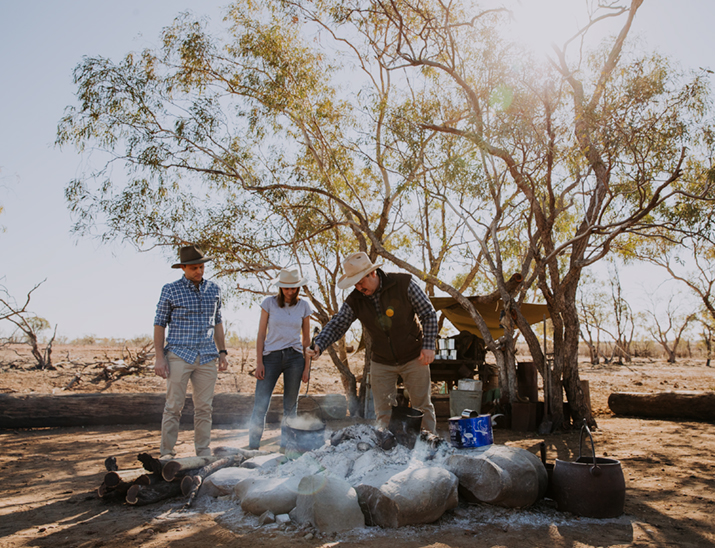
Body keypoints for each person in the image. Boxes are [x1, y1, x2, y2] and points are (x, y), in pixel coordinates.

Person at [306, 252, 438, 433]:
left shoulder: (404, 283)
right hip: (381, 360)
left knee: (422, 406)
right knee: (383, 412)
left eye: (361, 281)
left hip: (414, 356)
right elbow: (338, 324)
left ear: (373, 273)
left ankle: (429, 446)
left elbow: (428, 314)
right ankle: (387, 446)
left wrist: (429, 344)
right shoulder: (355, 299)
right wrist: (319, 344)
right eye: (355, 284)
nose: (359, 287)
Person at [153, 245, 229, 458]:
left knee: (204, 408)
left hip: (207, 356)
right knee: (173, 407)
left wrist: (222, 352)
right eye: (195, 268)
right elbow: (159, 324)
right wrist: (160, 357)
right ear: (184, 268)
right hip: (179, 354)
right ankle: (166, 454)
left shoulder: (214, 289)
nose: (199, 271)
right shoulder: (170, 289)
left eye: (202, 267)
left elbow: (218, 322)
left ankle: (203, 453)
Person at [248, 268, 312, 450]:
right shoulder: (268, 303)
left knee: (291, 407)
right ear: (280, 287)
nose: (290, 292)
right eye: (286, 288)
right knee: (260, 404)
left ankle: (287, 448)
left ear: (298, 287)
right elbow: (261, 334)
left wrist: (306, 367)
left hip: (295, 358)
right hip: (271, 357)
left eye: (293, 288)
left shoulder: (304, 306)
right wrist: (259, 362)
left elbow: (306, 340)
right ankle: (253, 448)